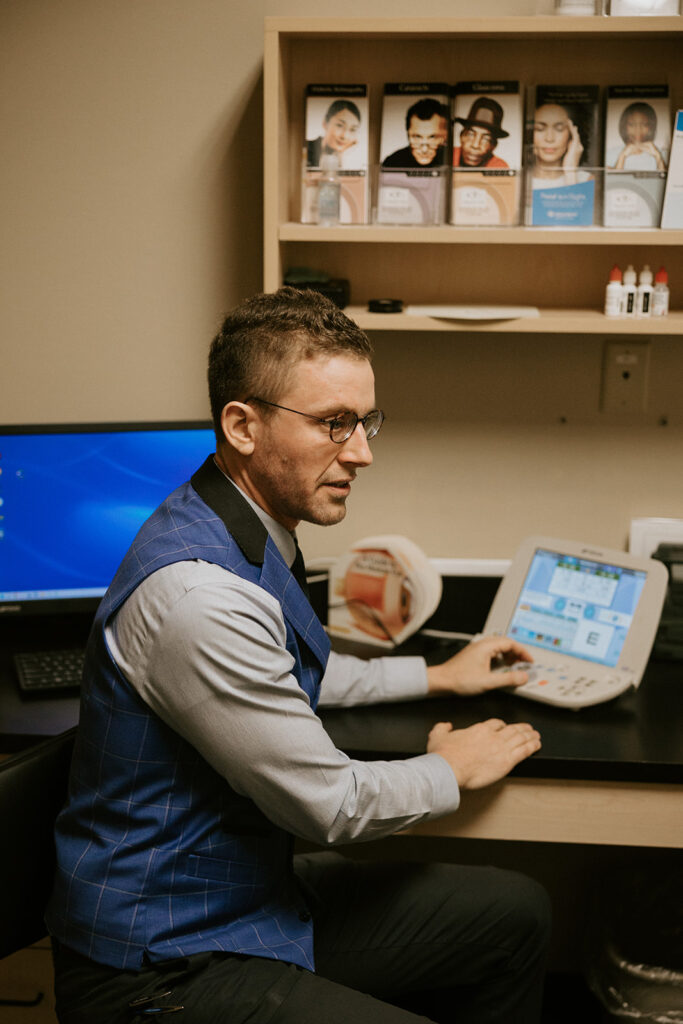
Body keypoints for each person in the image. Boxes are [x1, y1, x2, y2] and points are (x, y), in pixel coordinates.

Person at [47, 287, 551, 1024]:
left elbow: (279, 670)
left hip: (247, 903)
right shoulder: (199, 595)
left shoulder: (248, 524)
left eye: (366, 421)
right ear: (242, 425)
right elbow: (330, 805)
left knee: (515, 914)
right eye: (334, 424)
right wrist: (450, 769)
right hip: (162, 965)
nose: (363, 452)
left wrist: (437, 675)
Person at [531, 102, 590, 188]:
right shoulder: (516, 179)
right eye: (539, 129)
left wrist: (570, 174)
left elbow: (576, 200)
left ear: (572, 135)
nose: (549, 138)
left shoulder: (587, 180)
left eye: (559, 129)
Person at [382, 98, 449, 169]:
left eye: (433, 137)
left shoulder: (456, 160)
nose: (424, 149)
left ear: (445, 136)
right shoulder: (392, 163)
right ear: (408, 134)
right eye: (417, 137)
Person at [608, 101, 667, 172]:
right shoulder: (611, 154)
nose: (638, 130)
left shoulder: (663, 154)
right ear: (624, 126)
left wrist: (658, 157)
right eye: (631, 125)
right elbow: (613, 182)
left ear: (651, 127)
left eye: (644, 124)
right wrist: (622, 157)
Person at [453, 96, 510, 169]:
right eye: (471, 135)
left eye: (485, 139)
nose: (475, 145)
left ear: (493, 146)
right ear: (461, 136)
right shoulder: (447, 156)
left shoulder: (499, 167)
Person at [307, 99, 362, 168]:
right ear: (325, 123)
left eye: (352, 130)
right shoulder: (306, 148)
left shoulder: (353, 159)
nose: (344, 136)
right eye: (340, 125)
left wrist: (342, 157)